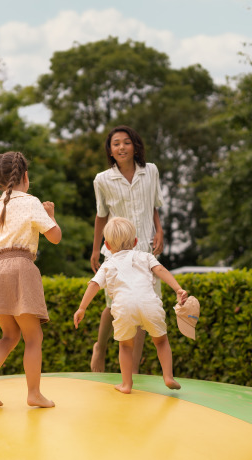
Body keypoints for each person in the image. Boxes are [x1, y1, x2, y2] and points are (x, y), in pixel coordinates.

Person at [0, 152, 62, 408]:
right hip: (20, 268)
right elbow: (55, 237)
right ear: (26, 177)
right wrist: (50, 215)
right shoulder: (32, 203)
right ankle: (34, 393)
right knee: (33, 337)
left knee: (9, 334)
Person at [75, 217, 186, 394]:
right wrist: (178, 289)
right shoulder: (145, 256)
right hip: (149, 303)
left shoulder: (108, 264)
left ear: (108, 246)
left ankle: (126, 384)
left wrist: (82, 308)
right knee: (161, 341)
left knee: (126, 346)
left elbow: (94, 285)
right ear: (135, 242)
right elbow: (161, 270)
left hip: (123, 307)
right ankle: (168, 376)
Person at [89, 125, 165, 373]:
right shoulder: (102, 179)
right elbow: (101, 215)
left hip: (144, 250)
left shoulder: (151, 171)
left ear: (135, 146)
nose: (121, 147)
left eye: (126, 142)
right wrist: (95, 249)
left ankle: (132, 371)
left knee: (143, 310)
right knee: (114, 306)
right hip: (116, 252)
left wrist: (159, 230)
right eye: (116, 144)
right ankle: (100, 347)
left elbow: (152, 204)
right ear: (110, 151)